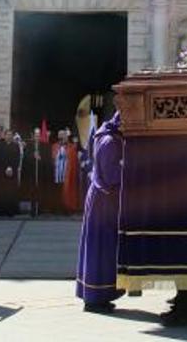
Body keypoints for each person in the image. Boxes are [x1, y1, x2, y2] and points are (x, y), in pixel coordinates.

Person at [76, 112, 124, 313]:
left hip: (105, 201)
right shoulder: (110, 142)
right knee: (99, 249)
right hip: (103, 202)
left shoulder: (111, 138)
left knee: (104, 249)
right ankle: (94, 298)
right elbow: (112, 175)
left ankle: (100, 295)